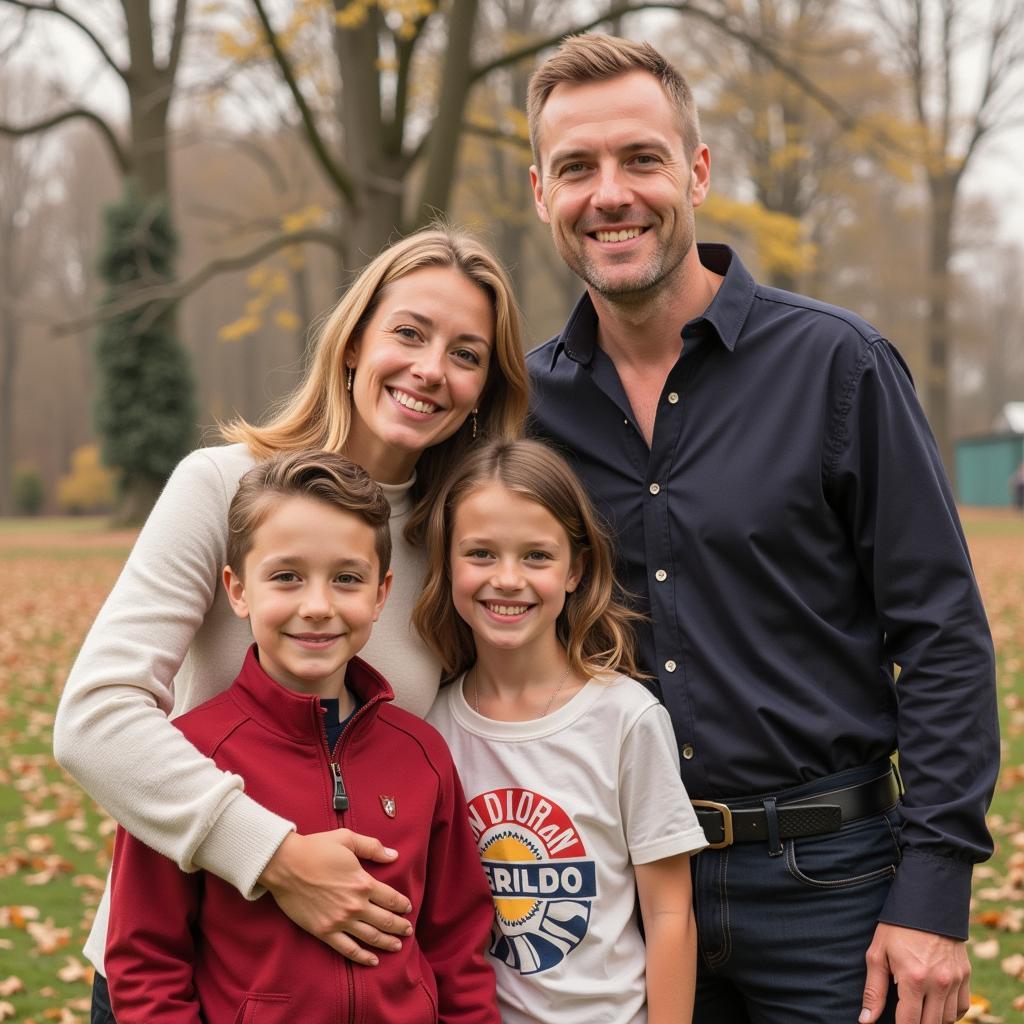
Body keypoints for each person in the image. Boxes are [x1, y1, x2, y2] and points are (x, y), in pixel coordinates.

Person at [523, 34, 998, 1024]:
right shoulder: (524, 407)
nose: (609, 193)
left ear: (695, 172)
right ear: (542, 193)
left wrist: (935, 890)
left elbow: (942, 631)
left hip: (832, 883)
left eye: (640, 159)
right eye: (576, 168)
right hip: (621, 887)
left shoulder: (837, 366)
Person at [53, 227, 529, 1022]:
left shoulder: (456, 545)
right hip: (188, 976)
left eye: (466, 354)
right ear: (352, 344)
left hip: (366, 987)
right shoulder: (222, 487)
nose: (429, 369)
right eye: (408, 332)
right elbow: (94, 721)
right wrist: (275, 857)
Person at [105, 451, 499, 1023]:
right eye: (287, 577)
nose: (317, 607)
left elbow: (458, 947)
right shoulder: (187, 758)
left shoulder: (422, 754)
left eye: (346, 579)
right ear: (238, 591)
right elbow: (146, 961)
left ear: (380, 594)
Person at [417, 438, 707, 1024]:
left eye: (536, 557)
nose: (507, 578)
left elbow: (671, 914)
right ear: (446, 563)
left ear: (575, 569)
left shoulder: (626, 718)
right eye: (480, 553)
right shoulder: (430, 728)